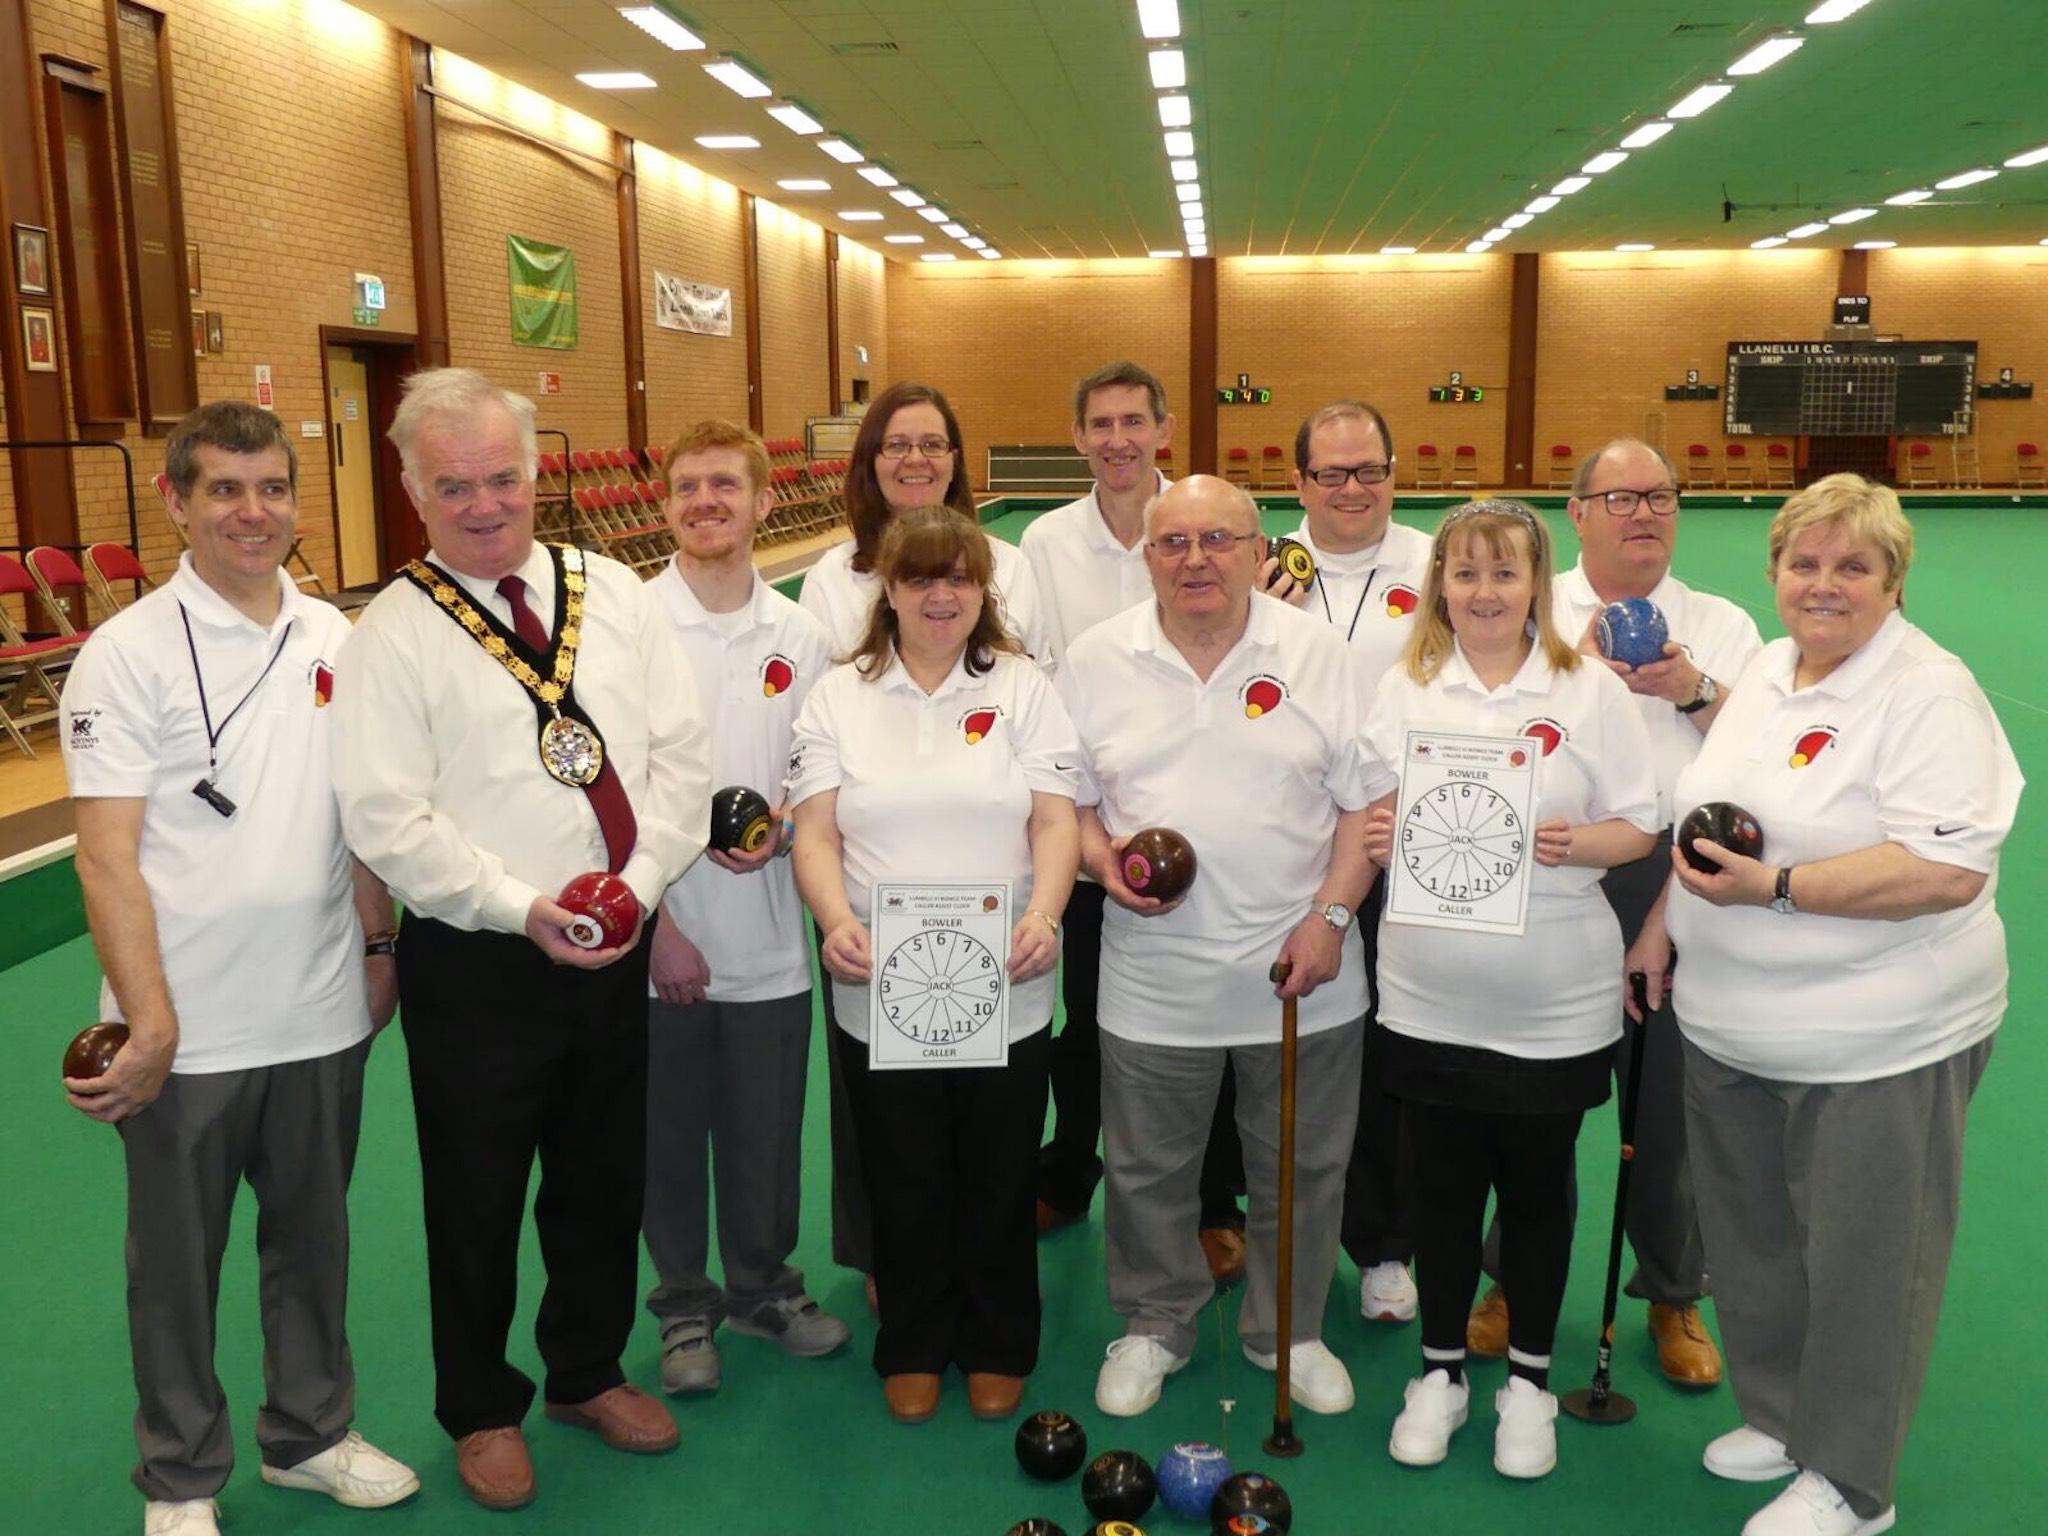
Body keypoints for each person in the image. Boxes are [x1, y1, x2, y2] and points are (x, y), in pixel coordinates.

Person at [331, 368, 710, 1510]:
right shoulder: (390, 633)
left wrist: (637, 889)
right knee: (477, 1194)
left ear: (537, 470)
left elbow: (681, 759)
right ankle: (481, 1407)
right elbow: (384, 817)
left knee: (602, 1176)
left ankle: (585, 1371)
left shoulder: (616, 594)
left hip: (616, 940)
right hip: (481, 961)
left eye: (503, 477)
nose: (485, 504)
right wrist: (520, 908)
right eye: (455, 486)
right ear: (411, 489)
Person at [59, 402, 417, 1536]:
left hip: (317, 1007)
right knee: (174, 1269)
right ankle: (182, 1478)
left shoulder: (333, 640)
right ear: (174, 501)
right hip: (187, 1028)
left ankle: (310, 1434)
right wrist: (151, 1019)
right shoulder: (123, 655)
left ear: (297, 501)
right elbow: (107, 857)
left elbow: (363, 818)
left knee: (312, 1244)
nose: (251, 513)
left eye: (271, 489)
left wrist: (375, 944)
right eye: (223, 490)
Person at [1653, 474, 2019, 1536]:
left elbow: (1942, 869)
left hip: (1877, 1039)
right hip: (1731, 1027)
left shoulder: (1926, 692)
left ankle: (1852, 1482)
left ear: (1892, 582)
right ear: (1771, 573)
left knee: (1866, 1262)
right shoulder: (1767, 672)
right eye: (1802, 564)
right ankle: (1781, 1419)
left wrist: (1776, 890)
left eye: (1851, 566)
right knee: (1755, 1241)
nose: (1823, 585)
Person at [1059, 475, 1377, 1420]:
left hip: (1303, 972)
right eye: (1173, 543)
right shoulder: (1094, 658)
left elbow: (1366, 804)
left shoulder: (1320, 656)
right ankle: (1156, 1323)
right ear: (1147, 557)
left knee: (1304, 1166)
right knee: (1149, 1168)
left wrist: (1330, 918)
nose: (1195, 559)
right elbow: (1066, 804)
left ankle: (1293, 1330)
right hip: (1154, 978)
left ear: (1257, 550)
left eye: (1218, 540)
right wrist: (1100, 862)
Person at [1363, 499, 1658, 1480]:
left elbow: (1640, 825)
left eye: (1503, 572)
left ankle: (1528, 1384)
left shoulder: (1588, 692)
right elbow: (1373, 811)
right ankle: (1439, 1374)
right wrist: (1380, 832)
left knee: (1537, 1195)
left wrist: (1580, 843)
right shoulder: (1403, 687)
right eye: (1463, 571)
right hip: (1424, 995)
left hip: (1552, 1002)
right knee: (1438, 1195)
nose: (1482, 591)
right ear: (1438, 582)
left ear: (1537, 582)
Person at [1465, 438, 1759, 1387]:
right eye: (1622, 497)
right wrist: (1571, 675)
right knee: (1532, 1093)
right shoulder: (1527, 615)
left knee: (1667, 1108)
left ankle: (1674, 1290)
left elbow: (1762, 760)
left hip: (1674, 882)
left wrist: (1693, 688)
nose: (1645, 513)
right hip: (1549, 874)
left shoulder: (1722, 625)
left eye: (1662, 498)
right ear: (1577, 513)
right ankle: (1509, 1278)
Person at [788, 507, 1079, 1424]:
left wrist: (1046, 913)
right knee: (903, 1171)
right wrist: (833, 920)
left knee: (997, 1169)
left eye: (958, 578)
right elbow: (816, 831)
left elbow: (1055, 821)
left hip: (1008, 981)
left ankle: (998, 1340)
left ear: (982, 591)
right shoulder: (840, 694)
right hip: (880, 986)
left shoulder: (1025, 687)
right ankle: (912, 1338)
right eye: (920, 579)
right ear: (890, 590)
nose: (940, 595)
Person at [797, 380, 1047, 1299]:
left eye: (932, 444)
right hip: (873, 868)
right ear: (870, 463)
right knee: (880, 1094)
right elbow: (835, 709)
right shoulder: (834, 574)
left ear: (955, 457)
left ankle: (981, 1273)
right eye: (895, 445)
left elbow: (1028, 691)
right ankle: (884, 1258)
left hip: (990, 875)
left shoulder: (1014, 565)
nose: (914, 460)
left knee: (991, 1106)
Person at [1018, 362, 1246, 1283]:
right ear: (1078, 437)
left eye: (1133, 421)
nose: (1117, 438)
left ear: (1165, 427)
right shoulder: (1042, 541)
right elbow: (1031, 672)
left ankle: (1214, 1200)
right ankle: (1071, 1171)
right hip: (1083, 824)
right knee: (1084, 1022)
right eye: (1100, 423)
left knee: (1214, 1015)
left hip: (1200, 817)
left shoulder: (1200, 526)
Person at [640, 420, 846, 1397]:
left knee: (765, 1132)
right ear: (664, 502)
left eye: (725, 483)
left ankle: (764, 1286)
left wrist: (787, 823)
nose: (704, 500)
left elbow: (820, 779)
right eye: (687, 485)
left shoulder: (802, 636)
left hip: (769, 939)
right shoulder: (626, 630)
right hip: (664, 935)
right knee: (669, 1132)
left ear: (765, 503)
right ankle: (684, 1306)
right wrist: (657, 927)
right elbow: (608, 795)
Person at [1268, 399, 1435, 1327]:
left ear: (1393, 474)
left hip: (1405, 845)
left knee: (1388, 1055)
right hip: (1297, 843)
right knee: (1279, 1043)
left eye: (1369, 469)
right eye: (1330, 473)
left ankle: (1383, 1242)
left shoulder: (1439, 566)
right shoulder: (1258, 568)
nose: (1352, 489)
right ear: (1299, 485)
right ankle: (1259, 1220)